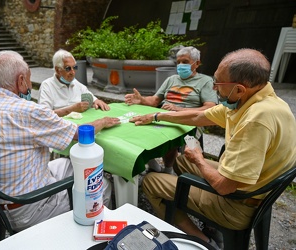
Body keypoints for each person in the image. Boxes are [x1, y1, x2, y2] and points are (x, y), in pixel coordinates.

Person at [129, 48, 296, 249]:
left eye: (218, 83)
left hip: (237, 203)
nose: (215, 88)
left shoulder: (256, 119)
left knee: (151, 181)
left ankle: (203, 242)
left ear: (240, 89)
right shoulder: (259, 99)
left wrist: (199, 158)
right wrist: (156, 116)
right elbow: (200, 116)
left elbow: (225, 186)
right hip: (251, 185)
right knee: (182, 160)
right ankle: (207, 221)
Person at [0, 50, 121, 232]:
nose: (30, 84)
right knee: (101, 184)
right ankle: (92, 235)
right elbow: (77, 134)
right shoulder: (28, 111)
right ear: (21, 81)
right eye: (29, 78)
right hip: (31, 207)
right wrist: (102, 121)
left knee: (66, 163)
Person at [125, 46, 217, 174]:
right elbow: (155, 100)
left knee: (169, 137)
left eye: (185, 62)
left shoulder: (205, 81)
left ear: (196, 63)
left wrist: (178, 109)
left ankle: (168, 170)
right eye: (178, 62)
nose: (180, 65)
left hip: (188, 119)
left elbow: (210, 108)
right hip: (163, 115)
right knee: (140, 128)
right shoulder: (171, 79)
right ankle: (151, 163)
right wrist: (142, 100)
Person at [38, 49, 110, 117]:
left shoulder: (76, 83)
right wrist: (71, 110)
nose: (73, 72)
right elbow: (44, 115)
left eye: (74, 67)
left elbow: (92, 98)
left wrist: (97, 101)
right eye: (68, 68)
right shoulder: (47, 86)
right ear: (57, 70)